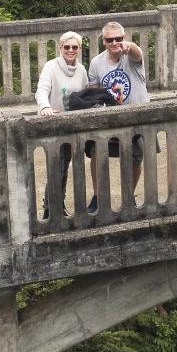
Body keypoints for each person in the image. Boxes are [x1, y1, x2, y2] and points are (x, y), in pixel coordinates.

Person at [86, 21, 149, 211]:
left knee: (135, 157)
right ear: (103, 41)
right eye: (110, 39)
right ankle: (98, 197)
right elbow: (94, 91)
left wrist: (129, 47)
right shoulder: (96, 63)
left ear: (124, 37)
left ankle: (128, 196)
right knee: (96, 152)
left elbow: (137, 53)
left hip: (135, 115)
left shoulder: (131, 57)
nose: (114, 42)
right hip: (110, 117)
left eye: (118, 38)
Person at [35, 31, 89, 218]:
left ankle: (56, 205)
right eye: (67, 47)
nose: (70, 50)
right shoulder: (50, 67)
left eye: (74, 47)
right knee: (57, 166)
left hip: (72, 125)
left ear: (79, 48)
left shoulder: (81, 70)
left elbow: (84, 94)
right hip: (54, 123)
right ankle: (50, 208)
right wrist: (45, 107)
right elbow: (42, 90)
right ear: (60, 47)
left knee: (64, 165)